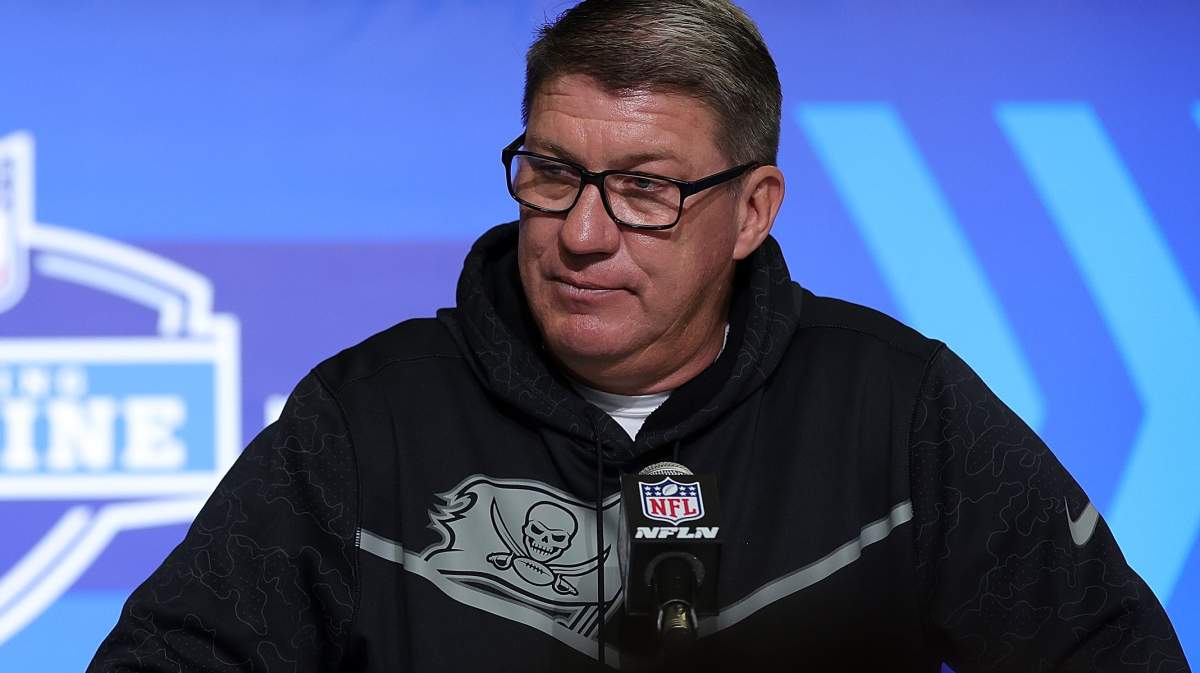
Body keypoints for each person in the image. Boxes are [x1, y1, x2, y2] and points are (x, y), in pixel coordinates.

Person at [88, 1, 1189, 671]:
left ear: (752, 211)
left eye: (646, 188)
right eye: (553, 172)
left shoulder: (901, 412)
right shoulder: (366, 416)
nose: (582, 232)